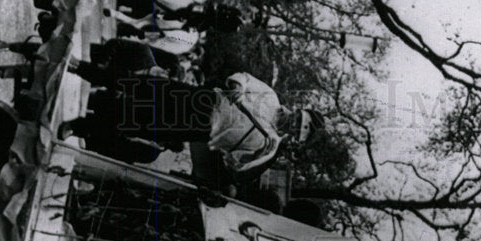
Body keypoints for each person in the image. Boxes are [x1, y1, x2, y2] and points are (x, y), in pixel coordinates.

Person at [59, 59, 324, 179]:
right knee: (139, 86)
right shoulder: (271, 96)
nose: (294, 122)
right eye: (301, 118)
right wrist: (237, 85)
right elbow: (243, 76)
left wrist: (242, 160)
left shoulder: (268, 146)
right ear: (299, 111)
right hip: (203, 100)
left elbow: (236, 164)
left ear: (296, 137)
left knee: (136, 122)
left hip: (198, 128)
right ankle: (79, 67)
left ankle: (78, 126)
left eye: (300, 129)